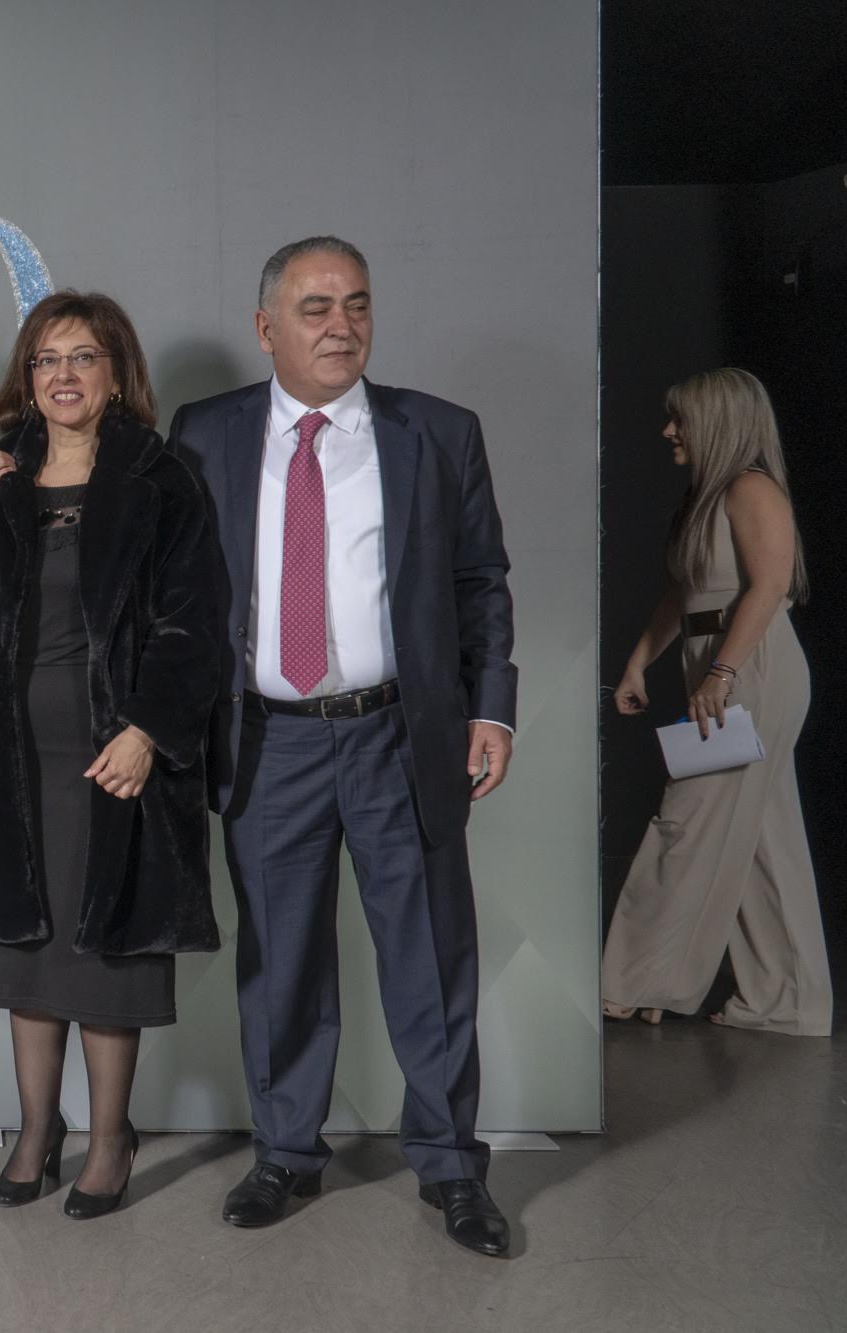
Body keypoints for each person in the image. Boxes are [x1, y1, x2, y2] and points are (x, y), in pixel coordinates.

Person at [169, 237, 518, 1257]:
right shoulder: (205, 434)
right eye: (314, 307)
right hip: (266, 741)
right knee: (279, 961)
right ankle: (284, 1152)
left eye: (356, 304)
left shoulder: (437, 432)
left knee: (428, 955)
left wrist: (491, 709)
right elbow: (178, 589)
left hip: (398, 736)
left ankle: (450, 1164)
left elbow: (480, 582)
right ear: (265, 327)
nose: (340, 325)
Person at [0, 291, 221, 1219]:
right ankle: (36, 1130)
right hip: (10, 756)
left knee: (109, 953)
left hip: (114, 756)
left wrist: (147, 730)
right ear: (28, 376)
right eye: (46, 359)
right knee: (28, 951)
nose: (63, 375)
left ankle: (110, 1137)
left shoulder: (163, 478)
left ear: (116, 373)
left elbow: (196, 622)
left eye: (84, 356)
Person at [604, 369, 830, 1034]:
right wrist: (638, 663)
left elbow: (770, 585)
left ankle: (637, 980)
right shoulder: (706, 498)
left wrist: (722, 673)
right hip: (716, 662)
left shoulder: (750, 488)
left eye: (681, 419)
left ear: (719, 422)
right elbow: (683, 596)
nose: (669, 431)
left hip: (750, 667)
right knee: (762, 838)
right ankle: (788, 1002)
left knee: (688, 821)